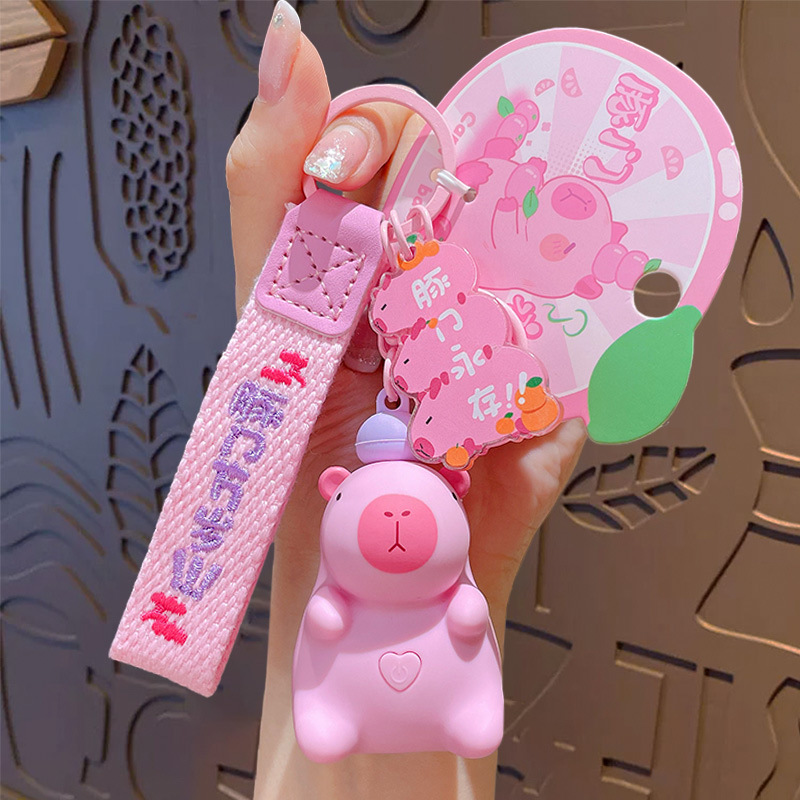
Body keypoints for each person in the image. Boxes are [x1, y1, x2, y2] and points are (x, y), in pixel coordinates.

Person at [226, 3, 586, 797]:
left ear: (455, 487)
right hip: (336, 710)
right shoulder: (337, 574)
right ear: (334, 490)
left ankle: (454, 717)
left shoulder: (455, 569)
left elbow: (462, 616)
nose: (393, 522)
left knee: (464, 702)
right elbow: (332, 619)